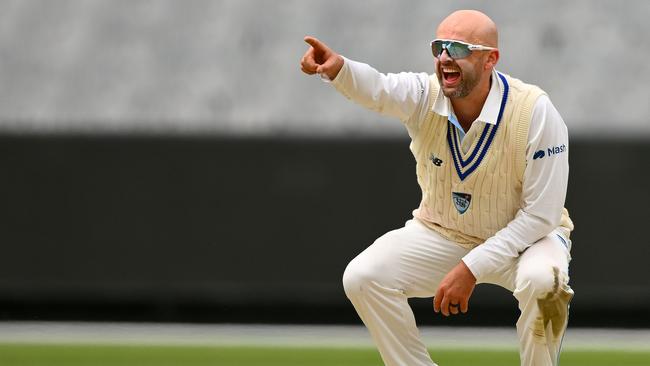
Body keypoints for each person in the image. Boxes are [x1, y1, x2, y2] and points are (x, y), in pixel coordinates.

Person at [300, 9, 574, 366]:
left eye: (458, 48)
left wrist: (471, 268)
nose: (444, 57)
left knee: (546, 283)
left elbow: (541, 216)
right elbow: (380, 89)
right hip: (444, 232)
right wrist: (339, 70)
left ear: (490, 58)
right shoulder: (424, 95)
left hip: (527, 241)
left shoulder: (535, 110)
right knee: (363, 277)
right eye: (439, 47)